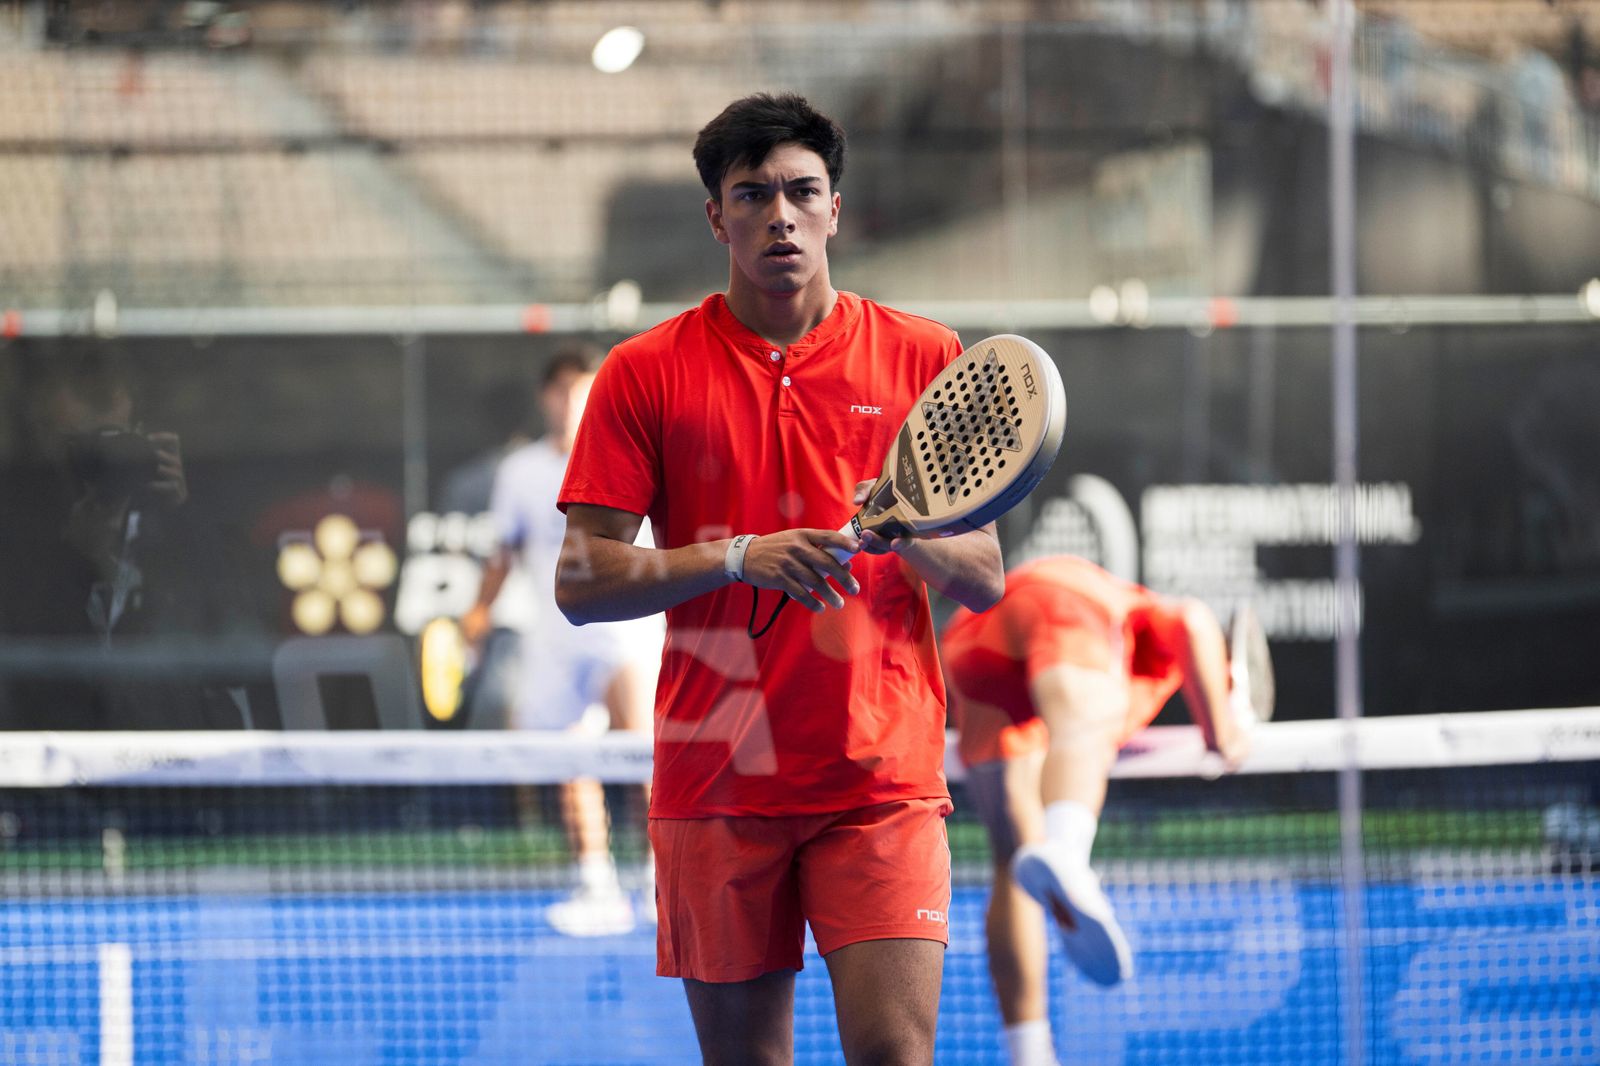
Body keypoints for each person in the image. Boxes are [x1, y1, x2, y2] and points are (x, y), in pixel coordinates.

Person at [554, 93, 1004, 1066]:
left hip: (878, 781)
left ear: (834, 207)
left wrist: (902, 528)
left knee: (894, 1054)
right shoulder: (642, 372)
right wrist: (734, 554)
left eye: (801, 191)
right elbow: (581, 579)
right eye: (751, 195)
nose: (779, 215)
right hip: (716, 781)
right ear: (717, 217)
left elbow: (983, 575)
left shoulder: (926, 355)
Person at [941, 554, 1255, 1066]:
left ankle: (1030, 1052)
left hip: (971, 640)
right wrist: (1226, 731)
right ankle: (1067, 850)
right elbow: (1194, 618)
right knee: (1081, 726)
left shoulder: (1127, 670)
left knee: (1014, 861)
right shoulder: (1140, 622)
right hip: (1055, 602)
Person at [460, 345, 661, 937]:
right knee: (573, 758)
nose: (574, 401)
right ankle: (596, 882)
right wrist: (477, 613)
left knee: (642, 756)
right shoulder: (520, 471)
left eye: (585, 389)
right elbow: (503, 553)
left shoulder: (634, 453)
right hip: (556, 638)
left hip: (627, 631)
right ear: (548, 398)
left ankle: (659, 879)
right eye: (564, 391)